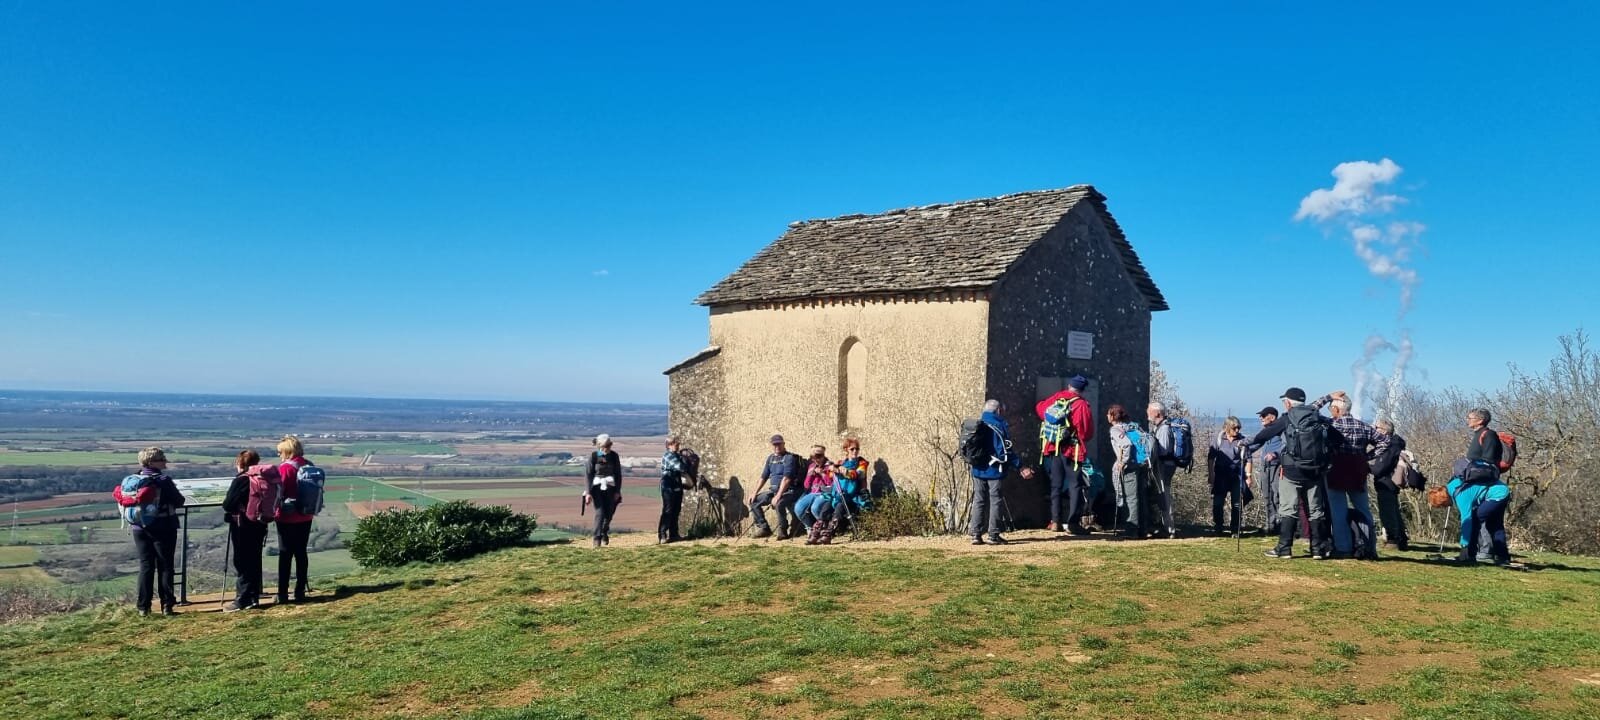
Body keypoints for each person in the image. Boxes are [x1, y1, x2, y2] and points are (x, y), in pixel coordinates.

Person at [1250, 388, 1342, 559]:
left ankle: (1284, 548)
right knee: (1315, 510)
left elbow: (1264, 435)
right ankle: (1317, 549)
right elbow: (1338, 438)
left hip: (1291, 471)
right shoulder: (1316, 416)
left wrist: (1246, 444)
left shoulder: (1287, 419)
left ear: (1288, 403)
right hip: (1314, 471)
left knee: (1288, 508)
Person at [124, 447, 185, 616]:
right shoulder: (163, 480)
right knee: (165, 566)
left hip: (138, 527)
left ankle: (143, 607)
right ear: (152, 462)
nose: (165, 461)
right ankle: (167, 606)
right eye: (161, 459)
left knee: (146, 566)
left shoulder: (134, 479)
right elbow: (179, 501)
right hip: (164, 526)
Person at [1035, 375, 1095, 535]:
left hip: (1053, 448)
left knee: (1056, 485)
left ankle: (1055, 521)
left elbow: (1040, 409)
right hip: (1072, 451)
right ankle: (1073, 524)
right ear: (1082, 390)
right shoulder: (1081, 405)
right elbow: (1086, 432)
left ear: (1069, 386)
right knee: (1075, 485)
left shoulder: (1056, 398)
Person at [971, 400, 1035, 545]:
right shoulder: (999, 425)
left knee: (979, 500)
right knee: (995, 500)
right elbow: (1005, 451)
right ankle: (993, 535)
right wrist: (1020, 466)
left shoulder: (978, 424)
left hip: (977, 468)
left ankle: (975, 534)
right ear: (998, 410)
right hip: (994, 470)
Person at [1326, 398, 1378, 558]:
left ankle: (1343, 547)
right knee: (1364, 510)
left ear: (1336, 409)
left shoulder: (1332, 426)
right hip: (1358, 471)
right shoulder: (1364, 426)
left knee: (1338, 511)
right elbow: (1385, 442)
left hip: (1337, 469)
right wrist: (1366, 457)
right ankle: (1370, 547)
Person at [221, 450, 272, 612]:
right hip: (259, 523)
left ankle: (242, 599)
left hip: (242, 525)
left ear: (240, 464)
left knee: (242, 561)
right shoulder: (263, 478)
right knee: (254, 559)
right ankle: (253, 596)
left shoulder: (242, 480)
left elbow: (228, 505)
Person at [274, 436, 315, 602]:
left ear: (287, 451)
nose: (279, 455)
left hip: (287, 517)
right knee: (301, 553)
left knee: (285, 555)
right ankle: (300, 591)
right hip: (306, 515)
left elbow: (278, 492)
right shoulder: (308, 465)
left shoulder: (285, 468)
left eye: (280, 452)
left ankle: (282, 593)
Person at [815, 438, 871, 544]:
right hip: (838, 494)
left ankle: (829, 533)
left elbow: (858, 474)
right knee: (826, 506)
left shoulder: (862, 463)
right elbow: (831, 475)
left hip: (853, 497)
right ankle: (816, 533)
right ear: (846, 450)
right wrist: (832, 469)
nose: (855, 451)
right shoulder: (841, 463)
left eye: (857, 449)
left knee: (840, 506)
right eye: (852, 449)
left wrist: (844, 472)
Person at [1106, 404, 1147, 539]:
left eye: (1108, 414)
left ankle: (1131, 530)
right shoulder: (1133, 426)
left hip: (1128, 467)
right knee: (1139, 496)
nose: (1107, 416)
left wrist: (1123, 461)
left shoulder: (1116, 430)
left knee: (1130, 498)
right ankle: (1143, 529)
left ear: (1113, 416)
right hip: (1140, 465)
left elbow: (1126, 444)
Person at [748, 435, 802, 539]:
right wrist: (754, 492)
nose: (777, 446)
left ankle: (783, 530)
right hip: (773, 491)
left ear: (783, 444)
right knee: (753, 501)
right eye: (774, 444)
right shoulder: (771, 458)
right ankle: (764, 528)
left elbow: (787, 479)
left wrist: (778, 496)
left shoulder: (789, 458)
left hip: (788, 491)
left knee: (779, 503)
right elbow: (763, 477)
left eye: (779, 444)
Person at [1369, 419, 1410, 550]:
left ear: (1384, 431)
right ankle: (1401, 538)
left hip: (1386, 481)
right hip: (1392, 481)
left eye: (1377, 428)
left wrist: (1368, 466)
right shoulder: (1396, 444)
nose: (1374, 430)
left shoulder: (1389, 446)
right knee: (1394, 510)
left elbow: (1380, 467)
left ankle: (1393, 540)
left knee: (1387, 511)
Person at [1207, 416, 1250, 537]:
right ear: (1227, 427)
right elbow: (1211, 458)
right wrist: (1211, 475)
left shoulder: (1242, 440)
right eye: (1234, 428)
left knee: (1236, 504)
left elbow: (1248, 459)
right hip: (1220, 475)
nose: (1237, 430)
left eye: (1238, 428)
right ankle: (1218, 527)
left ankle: (1235, 529)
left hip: (1236, 476)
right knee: (1218, 503)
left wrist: (1249, 476)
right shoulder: (1219, 439)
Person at [1247, 407, 1285, 532]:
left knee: (1277, 495)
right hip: (1264, 466)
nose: (1260, 418)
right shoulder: (1266, 431)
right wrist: (1243, 449)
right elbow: (1257, 443)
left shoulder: (1281, 430)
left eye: (1263, 415)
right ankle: (1270, 525)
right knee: (1267, 495)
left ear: (1272, 417)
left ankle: (1281, 525)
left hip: (1277, 466)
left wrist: (1275, 454)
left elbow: (1286, 446)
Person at [584, 434, 624, 548]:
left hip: (611, 488)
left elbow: (618, 474)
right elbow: (588, 475)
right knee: (600, 513)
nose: (607, 448)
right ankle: (596, 538)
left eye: (609, 445)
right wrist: (588, 493)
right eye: (605, 446)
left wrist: (617, 491)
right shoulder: (593, 456)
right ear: (599, 446)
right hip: (596, 488)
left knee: (609, 513)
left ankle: (604, 531)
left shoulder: (614, 456)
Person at [1147, 402, 1179, 538]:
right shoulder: (1161, 427)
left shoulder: (1164, 429)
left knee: (1164, 495)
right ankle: (1164, 526)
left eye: (1149, 412)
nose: (1148, 415)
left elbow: (1164, 450)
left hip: (1164, 467)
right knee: (1161, 495)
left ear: (1157, 413)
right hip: (1164, 466)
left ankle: (1169, 529)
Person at [795, 445, 834, 536]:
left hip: (825, 493)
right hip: (813, 492)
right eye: (813, 457)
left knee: (815, 507)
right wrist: (810, 475)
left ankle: (824, 527)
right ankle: (811, 527)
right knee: (798, 507)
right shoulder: (812, 466)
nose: (816, 460)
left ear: (823, 455)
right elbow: (806, 485)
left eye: (818, 456)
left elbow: (831, 484)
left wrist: (822, 474)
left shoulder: (830, 466)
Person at [658, 436, 691, 544]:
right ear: (669, 445)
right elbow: (681, 467)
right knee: (668, 510)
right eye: (676, 444)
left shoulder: (677, 455)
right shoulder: (668, 456)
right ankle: (662, 534)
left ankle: (674, 534)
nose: (678, 446)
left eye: (678, 444)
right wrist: (686, 461)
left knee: (676, 510)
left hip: (677, 485)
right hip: (668, 486)